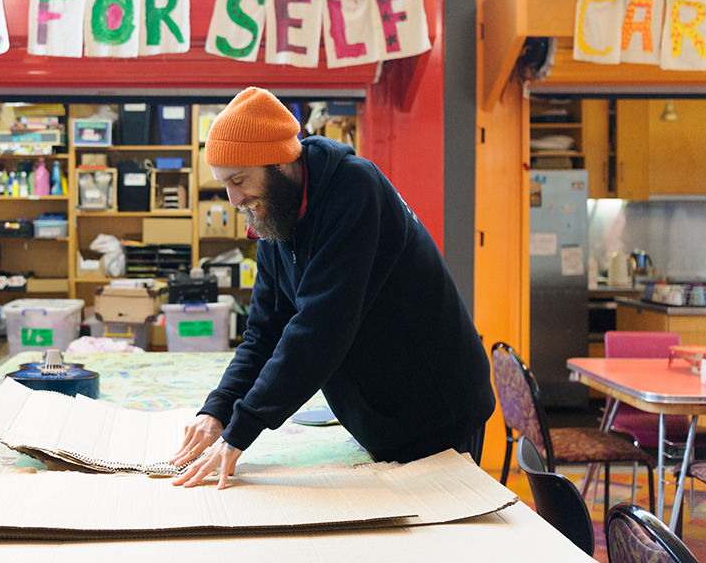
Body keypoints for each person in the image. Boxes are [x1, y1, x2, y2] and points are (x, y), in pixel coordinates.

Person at [170, 87, 496, 489]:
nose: (234, 199)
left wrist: (243, 429)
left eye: (239, 180)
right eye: (225, 184)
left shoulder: (355, 190)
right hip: (379, 412)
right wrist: (217, 411)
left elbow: (321, 328)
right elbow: (264, 333)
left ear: (280, 162)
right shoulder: (276, 214)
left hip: (436, 406)